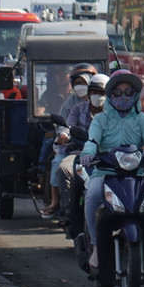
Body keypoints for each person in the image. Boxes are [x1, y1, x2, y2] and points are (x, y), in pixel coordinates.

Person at [79, 71, 144, 270]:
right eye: (118, 93)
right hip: (105, 172)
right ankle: (96, 245)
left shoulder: (141, 120)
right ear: (110, 95)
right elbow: (92, 141)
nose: (123, 97)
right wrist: (88, 153)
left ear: (135, 95)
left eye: (128, 92)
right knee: (93, 194)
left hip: (135, 174)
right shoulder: (100, 120)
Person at [58, 73, 107, 235]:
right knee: (64, 168)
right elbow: (68, 126)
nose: (97, 96)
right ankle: (69, 213)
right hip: (80, 155)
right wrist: (64, 135)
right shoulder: (78, 109)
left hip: (107, 157)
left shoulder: (114, 113)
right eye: (94, 92)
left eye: (101, 93)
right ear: (89, 92)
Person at [45, 64, 97, 217]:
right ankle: (57, 202)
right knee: (59, 165)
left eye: (83, 82)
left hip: (98, 148)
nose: (80, 86)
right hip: (74, 146)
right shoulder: (73, 104)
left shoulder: (107, 106)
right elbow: (66, 124)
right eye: (77, 83)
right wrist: (64, 135)